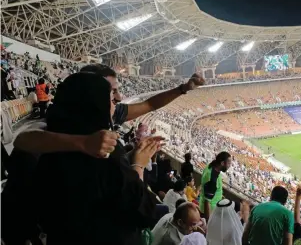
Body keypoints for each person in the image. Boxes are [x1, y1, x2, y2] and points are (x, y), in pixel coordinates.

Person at [34, 72, 162, 244]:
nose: (115, 103)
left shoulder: (51, 143)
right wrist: (139, 164)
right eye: (110, 99)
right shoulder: (105, 151)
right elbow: (145, 211)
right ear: (95, 104)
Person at [13, 65, 205, 158]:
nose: (120, 97)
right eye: (113, 91)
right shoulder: (66, 116)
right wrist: (83, 143)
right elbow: (22, 140)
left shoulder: (112, 112)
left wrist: (182, 89)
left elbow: (150, 105)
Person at [199, 151, 232, 219]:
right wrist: (208, 221)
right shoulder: (212, 179)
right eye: (228, 163)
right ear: (222, 163)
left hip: (209, 208)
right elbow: (207, 202)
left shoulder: (211, 166)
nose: (229, 166)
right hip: (210, 212)